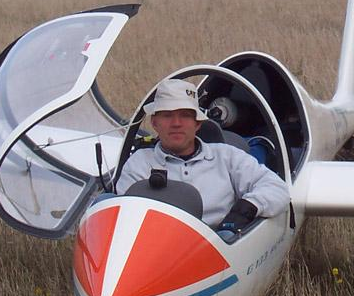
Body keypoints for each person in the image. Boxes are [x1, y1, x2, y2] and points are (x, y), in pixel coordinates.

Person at [115, 79, 289, 231]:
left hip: (220, 248)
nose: (176, 123)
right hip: (158, 251)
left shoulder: (227, 157)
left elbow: (278, 188)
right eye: (167, 116)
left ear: (198, 123)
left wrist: (249, 206)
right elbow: (126, 217)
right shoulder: (138, 163)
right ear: (154, 123)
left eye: (184, 116)